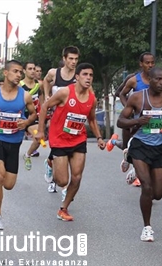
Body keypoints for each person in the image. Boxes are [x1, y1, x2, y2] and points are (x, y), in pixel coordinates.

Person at [35, 62, 106, 221]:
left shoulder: (92, 99)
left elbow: (92, 120)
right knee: (62, 181)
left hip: (78, 139)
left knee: (77, 177)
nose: (88, 78)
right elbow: (45, 107)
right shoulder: (65, 93)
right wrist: (40, 130)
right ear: (77, 77)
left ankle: (63, 208)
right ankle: (51, 162)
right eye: (85, 74)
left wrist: (99, 138)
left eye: (91, 75)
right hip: (59, 138)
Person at [117, 67, 162, 241]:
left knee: (157, 194)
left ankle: (135, 170)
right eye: (158, 79)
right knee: (147, 187)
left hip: (159, 147)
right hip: (140, 145)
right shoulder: (137, 98)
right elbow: (121, 121)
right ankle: (147, 227)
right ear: (149, 80)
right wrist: (137, 120)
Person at [0, 60, 38, 229]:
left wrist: (26, 122)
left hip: (14, 141)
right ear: (6, 73)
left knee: (9, 184)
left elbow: (34, 114)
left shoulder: (25, 96)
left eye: (20, 72)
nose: (19, 75)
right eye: (15, 71)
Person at [108, 52, 155, 186]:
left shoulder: (157, 78)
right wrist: (129, 107)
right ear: (141, 64)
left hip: (151, 120)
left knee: (144, 147)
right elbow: (119, 93)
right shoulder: (133, 78)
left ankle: (136, 171)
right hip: (134, 119)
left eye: (152, 62)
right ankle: (117, 144)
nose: (150, 65)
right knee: (128, 145)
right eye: (147, 63)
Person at [41, 46, 80, 193]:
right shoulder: (54, 73)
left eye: (76, 59)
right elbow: (45, 81)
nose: (73, 62)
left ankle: (51, 165)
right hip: (56, 117)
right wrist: (47, 96)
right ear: (64, 59)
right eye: (70, 58)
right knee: (56, 146)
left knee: (68, 149)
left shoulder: (78, 76)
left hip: (71, 118)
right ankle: (54, 173)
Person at [20, 62, 43, 170]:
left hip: (31, 116)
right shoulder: (19, 85)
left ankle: (27, 155)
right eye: (30, 68)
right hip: (18, 116)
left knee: (39, 138)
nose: (33, 71)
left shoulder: (39, 85)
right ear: (24, 71)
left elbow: (42, 103)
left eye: (34, 68)